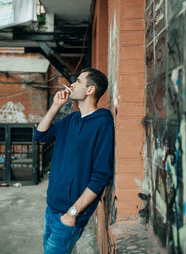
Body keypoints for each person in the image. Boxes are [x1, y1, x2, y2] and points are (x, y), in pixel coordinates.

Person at [34, 67, 114, 254]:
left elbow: (101, 175)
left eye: (78, 81)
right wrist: (56, 106)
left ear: (90, 90)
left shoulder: (103, 123)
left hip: (70, 214)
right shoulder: (72, 119)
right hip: (52, 209)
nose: (72, 84)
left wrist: (72, 213)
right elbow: (40, 135)